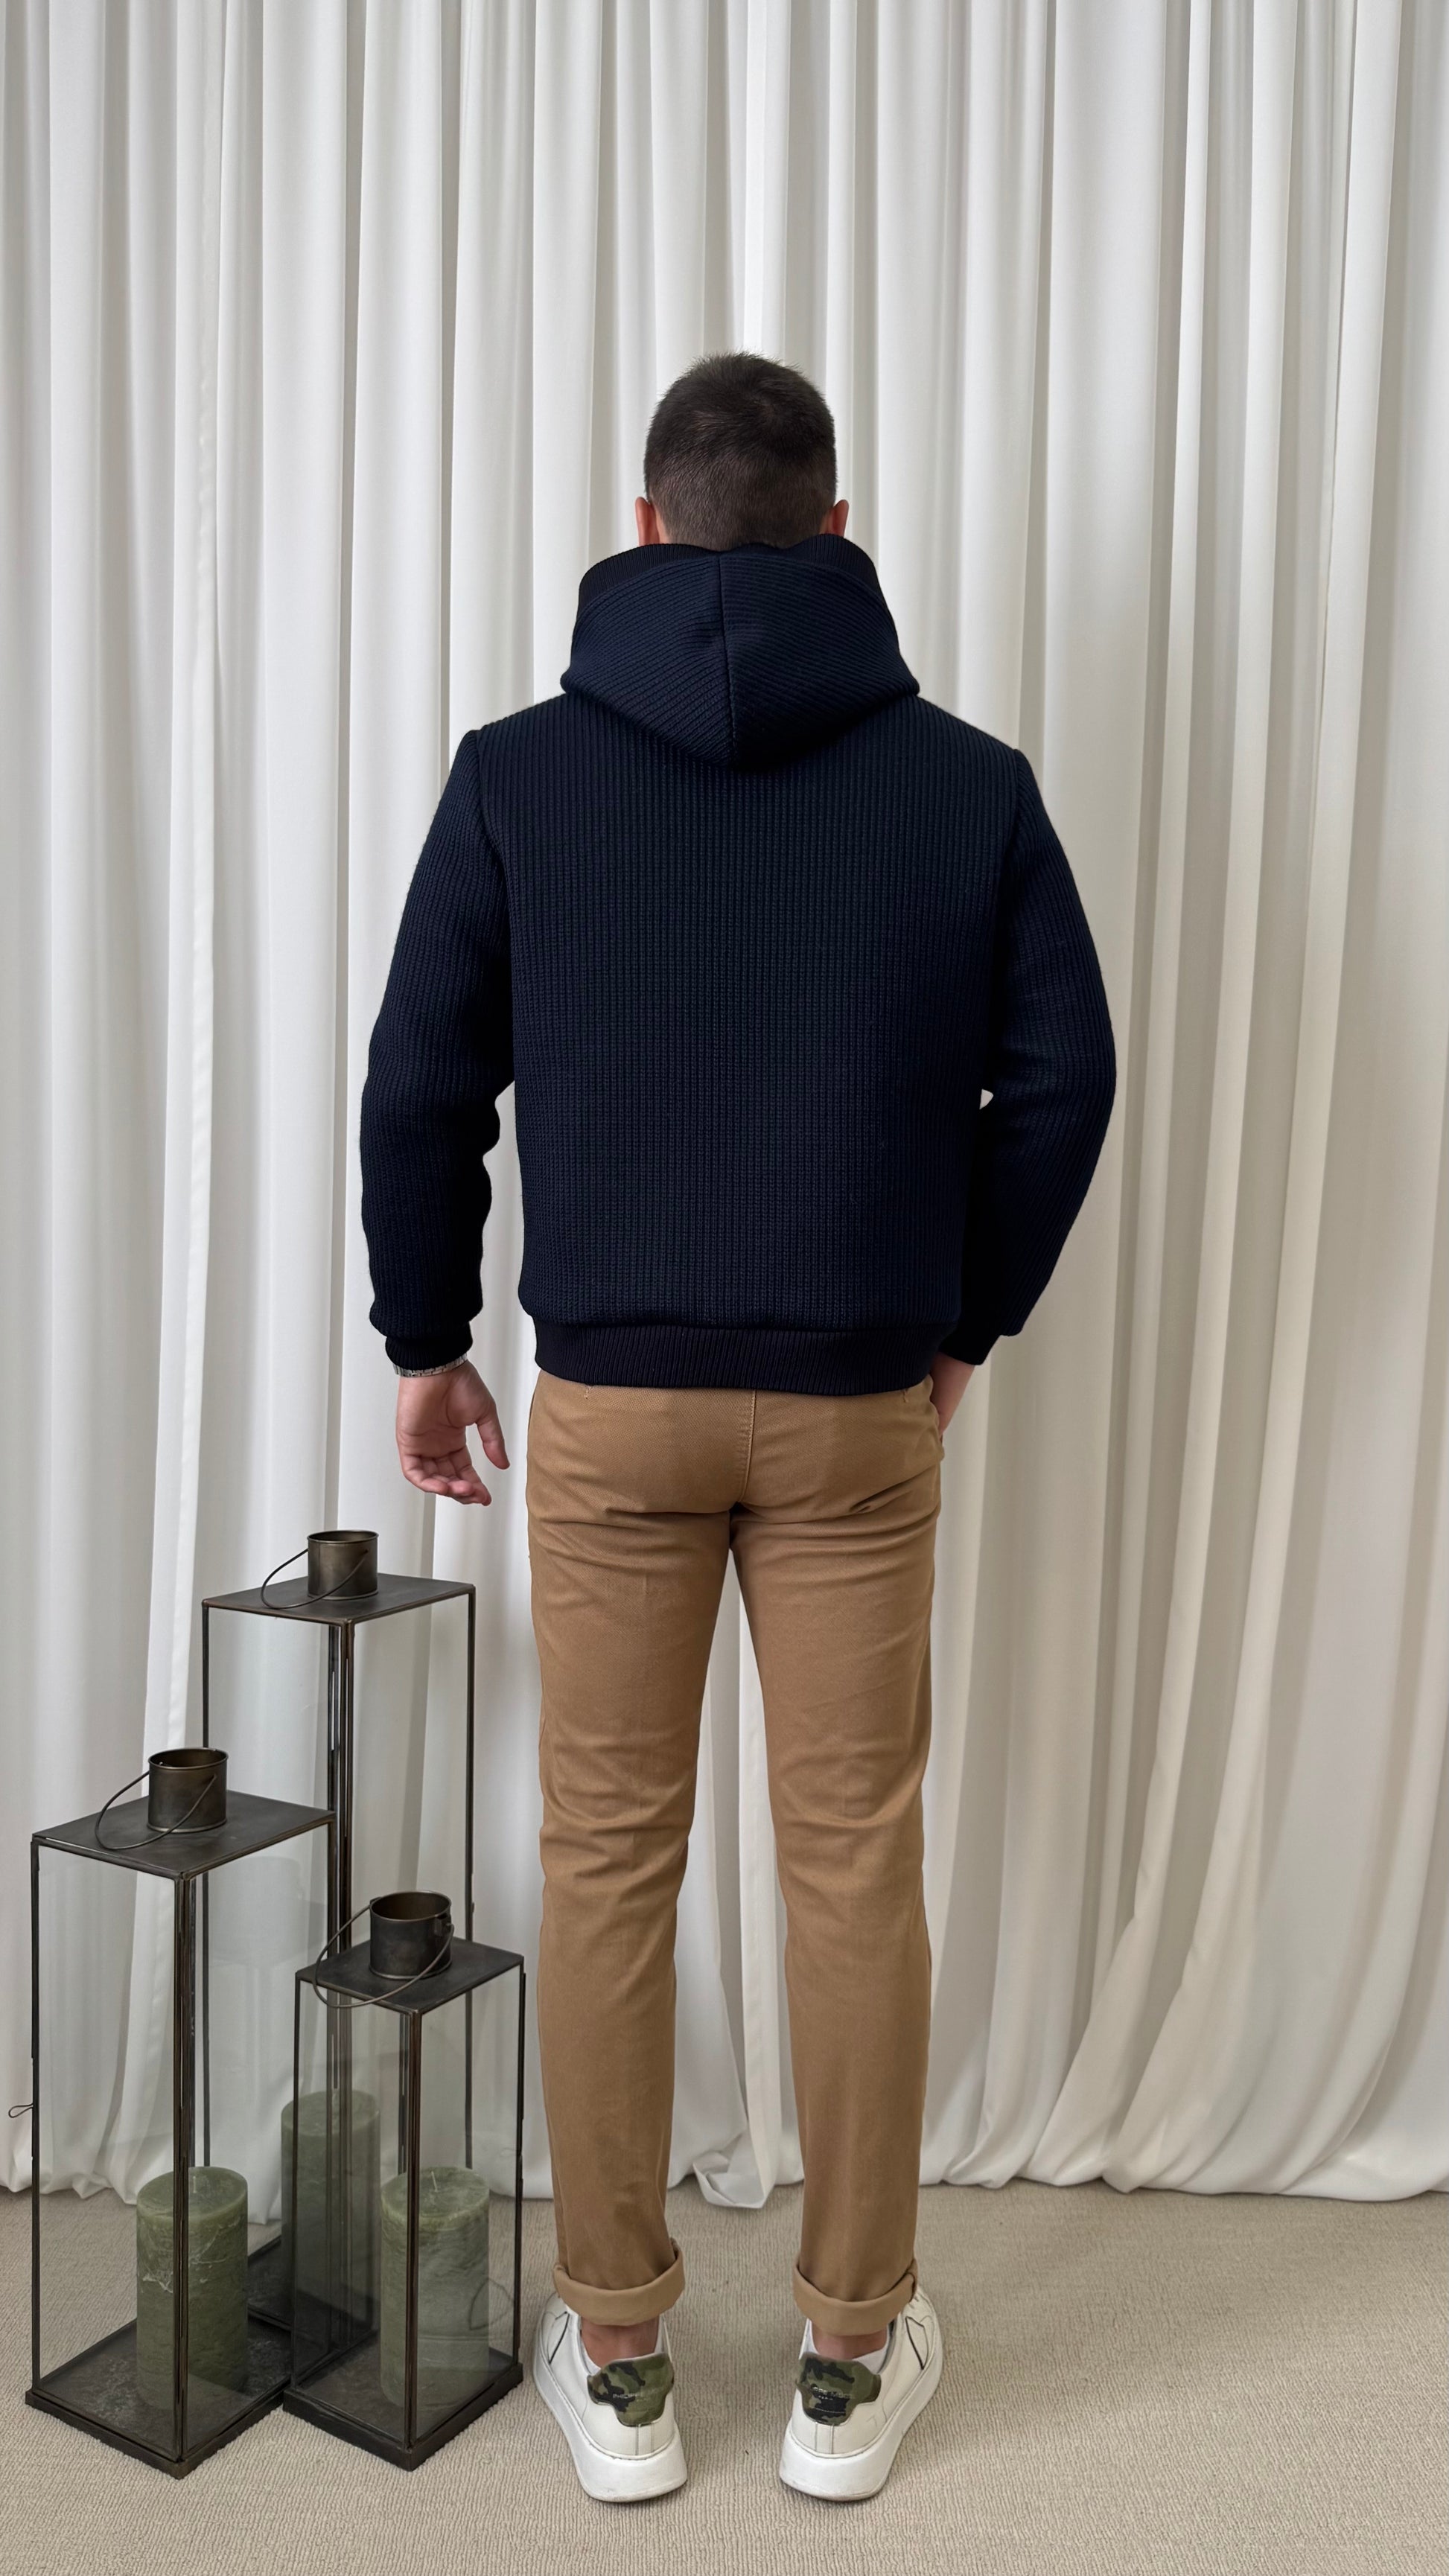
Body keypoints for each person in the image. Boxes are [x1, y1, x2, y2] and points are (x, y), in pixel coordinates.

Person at [360, 352, 1115, 2504]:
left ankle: (616, 2354)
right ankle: (846, 2360)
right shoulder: (968, 787)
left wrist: (428, 1336)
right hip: (857, 1407)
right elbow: (1062, 1080)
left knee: (606, 1855)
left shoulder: (517, 776)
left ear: (645, 525)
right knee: (852, 1860)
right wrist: (959, 1317)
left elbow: (421, 1080)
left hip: (612, 1406)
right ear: (838, 531)